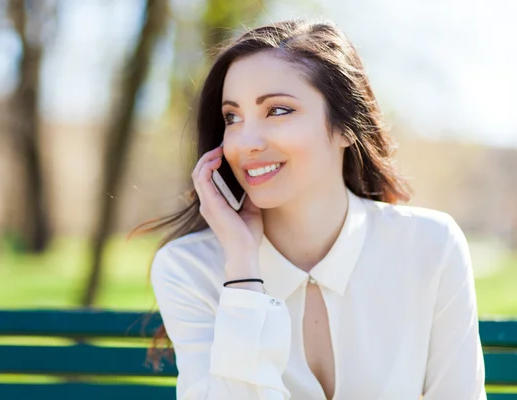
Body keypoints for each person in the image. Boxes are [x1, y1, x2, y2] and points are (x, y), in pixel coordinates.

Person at [132, 18, 486, 400]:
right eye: (232, 117)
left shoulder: (431, 246)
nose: (245, 142)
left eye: (278, 111)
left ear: (347, 127)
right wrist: (243, 276)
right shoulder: (188, 268)